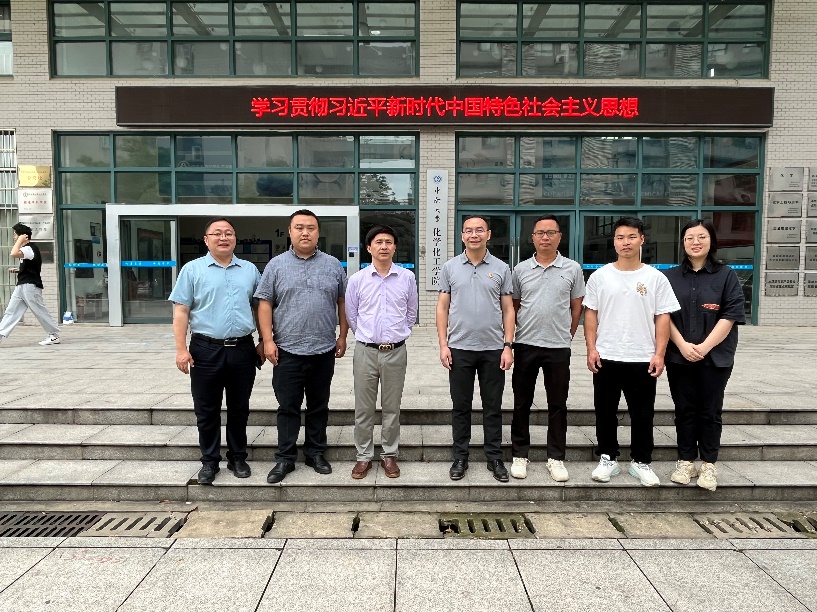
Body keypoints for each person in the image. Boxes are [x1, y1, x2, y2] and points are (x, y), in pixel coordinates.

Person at [583, 217, 680, 487]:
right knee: (604, 411)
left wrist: (659, 353)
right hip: (607, 354)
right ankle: (608, 458)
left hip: (642, 357)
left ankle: (641, 461)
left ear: (641, 239)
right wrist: (591, 348)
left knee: (643, 413)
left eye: (631, 237)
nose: (626, 242)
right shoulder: (600, 276)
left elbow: (663, 317)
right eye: (620, 237)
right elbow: (591, 314)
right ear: (614, 242)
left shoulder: (655, 278)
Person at [256, 209, 348, 484]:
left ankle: (315, 453)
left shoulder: (333, 265)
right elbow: (264, 303)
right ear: (290, 232)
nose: (305, 232)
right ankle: (285, 458)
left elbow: (343, 302)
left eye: (310, 227)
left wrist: (343, 336)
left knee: (319, 406)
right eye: (299, 227)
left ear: (318, 232)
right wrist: (268, 340)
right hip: (287, 350)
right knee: (288, 407)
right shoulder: (276, 266)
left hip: (323, 349)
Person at [169, 217, 262, 485]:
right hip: (205, 349)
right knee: (206, 410)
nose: (223, 238)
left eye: (229, 233)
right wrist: (181, 349)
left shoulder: (250, 270)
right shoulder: (192, 270)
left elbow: (260, 307)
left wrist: (264, 340)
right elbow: (181, 311)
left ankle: (237, 457)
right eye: (217, 233)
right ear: (206, 239)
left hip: (242, 348)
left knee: (239, 408)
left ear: (235, 239)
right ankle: (209, 461)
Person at [664, 219, 745, 492]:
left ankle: (709, 464)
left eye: (701, 237)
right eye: (689, 238)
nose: (695, 242)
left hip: (716, 357)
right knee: (684, 409)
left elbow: (730, 315)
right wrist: (683, 345)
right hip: (679, 355)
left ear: (711, 241)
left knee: (710, 411)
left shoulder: (727, 276)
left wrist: (704, 347)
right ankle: (686, 461)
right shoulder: (670, 277)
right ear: (683, 242)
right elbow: (663, 315)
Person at [436, 215, 514, 483]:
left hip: (493, 349)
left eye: (479, 230)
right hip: (459, 348)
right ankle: (460, 456)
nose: (474, 235)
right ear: (462, 235)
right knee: (461, 406)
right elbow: (442, 307)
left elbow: (508, 309)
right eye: (468, 230)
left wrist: (508, 345)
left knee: (493, 406)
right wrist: (443, 344)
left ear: (488, 234)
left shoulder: (502, 268)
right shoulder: (450, 267)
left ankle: (494, 457)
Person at [510, 215, 585, 481]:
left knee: (557, 404)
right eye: (540, 233)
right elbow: (514, 306)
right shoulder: (520, 270)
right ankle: (520, 454)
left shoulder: (572, 268)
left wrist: (568, 334)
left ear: (559, 237)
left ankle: (556, 457)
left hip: (558, 347)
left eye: (550, 232)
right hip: (525, 344)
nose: (545, 237)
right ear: (532, 238)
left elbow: (576, 307)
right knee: (521, 402)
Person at [345, 225, 418, 480]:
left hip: (396, 352)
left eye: (388, 242)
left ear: (395, 247)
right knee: (363, 408)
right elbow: (351, 314)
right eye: (378, 242)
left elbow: (411, 312)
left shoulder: (407, 278)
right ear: (369, 248)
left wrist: (399, 333)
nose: (384, 246)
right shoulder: (357, 279)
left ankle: (389, 454)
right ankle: (363, 456)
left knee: (391, 407)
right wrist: (366, 336)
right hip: (366, 351)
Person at [0, 223, 61, 346]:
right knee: (11, 311)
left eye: (15, 235)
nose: (14, 237)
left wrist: (20, 240)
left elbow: (13, 253)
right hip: (22, 285)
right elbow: (32, 266)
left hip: (30, 286)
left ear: (23, 236)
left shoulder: (29, 248)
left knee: (39, 310)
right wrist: (19, 270)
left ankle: (54, 335)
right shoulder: (27, 249)